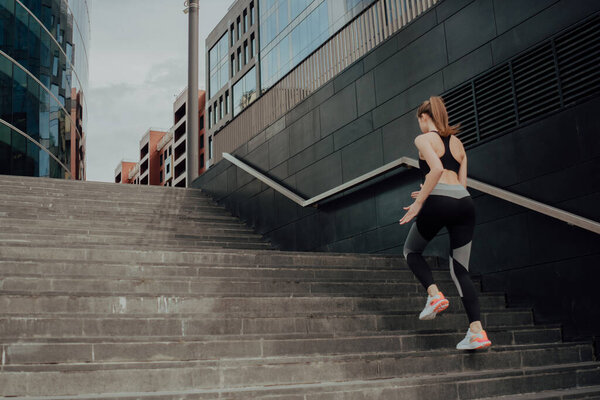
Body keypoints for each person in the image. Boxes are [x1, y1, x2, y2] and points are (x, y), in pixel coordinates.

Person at [398, 96, 492, 350]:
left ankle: (434, 295)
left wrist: (421, 203)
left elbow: (436, 169)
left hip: (440, 201)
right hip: (464, 204)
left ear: (424, 117)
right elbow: (460, 184)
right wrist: (430, 192)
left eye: (418, 120)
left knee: (411, 251)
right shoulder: (459, 144)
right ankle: (477, 331)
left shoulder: (423, 139)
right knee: (461, 270)